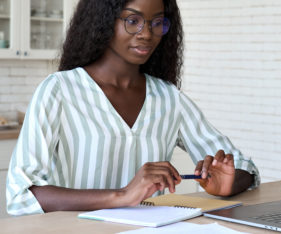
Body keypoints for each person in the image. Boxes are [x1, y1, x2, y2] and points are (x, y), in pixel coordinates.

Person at [6, 0, 259, 216]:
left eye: (157, 22)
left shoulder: (169, 98)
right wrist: (122, 195)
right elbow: (21, 196)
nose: (147, 33)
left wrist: (227, 183)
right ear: (103, 21)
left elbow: (245, 167)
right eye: (133, 20)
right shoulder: (59, 91)